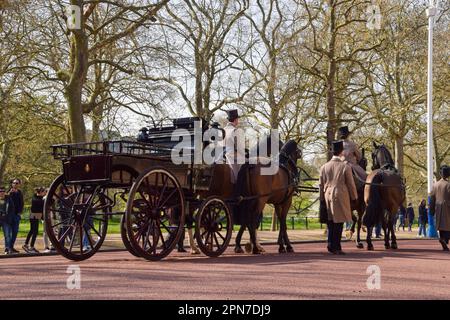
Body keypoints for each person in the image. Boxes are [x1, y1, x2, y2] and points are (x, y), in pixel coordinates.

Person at [319, 140, 358, 255]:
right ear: (341, 152)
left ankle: (330, 244)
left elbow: (321, 184)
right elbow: (350, 184)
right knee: (339, 221)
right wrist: (354, 197)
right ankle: (336, 246)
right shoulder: (344, 166)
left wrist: (321, 198)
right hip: (340, 194)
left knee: (331, 221)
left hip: (327, 194)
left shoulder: (324, 167)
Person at [430, 165, 450, 251]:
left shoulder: (435, 185)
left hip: (438, 207)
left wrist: (431, 210)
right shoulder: (449, 185)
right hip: (448, 207)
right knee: (448, 225)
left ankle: (442, 239)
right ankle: (445, 240)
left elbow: (432, 199)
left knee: (441, 225)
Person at [223, 109, 246, 184]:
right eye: (238, 119)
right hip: (232, 159)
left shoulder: (223, 130)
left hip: (222, 158)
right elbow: (239, 149)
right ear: (236, 120)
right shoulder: (235, 131)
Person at [23, 187, 46, 253]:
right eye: (44, 192)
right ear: (41, 192)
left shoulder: (39, 198)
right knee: (34, 231)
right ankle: (31, 247)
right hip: (34, 215)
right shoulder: (35, 198)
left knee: (32, 231)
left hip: (36, 215)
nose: (45, 193)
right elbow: (41, 203)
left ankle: (26, 244)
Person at [8, 178, 24, 253]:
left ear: (19, 184)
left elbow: (21, 202)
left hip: (17, 215)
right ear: (12, 184)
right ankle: (8, 248)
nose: (15, 184)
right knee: (10, 232)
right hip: (11, 215)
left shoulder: (20, 192)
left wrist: (21, 211)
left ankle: (11, 246)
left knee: (15, 231)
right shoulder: (9, 192)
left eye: (17, 183)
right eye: (14, 183)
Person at [0, 186, 16, 254]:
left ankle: (7, 249)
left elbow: (12, 209)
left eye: (3, 191)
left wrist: (9, 217)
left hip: (6, 220)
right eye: (0, 191)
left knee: (7, 235)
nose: (2, 193)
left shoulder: (8, 198)